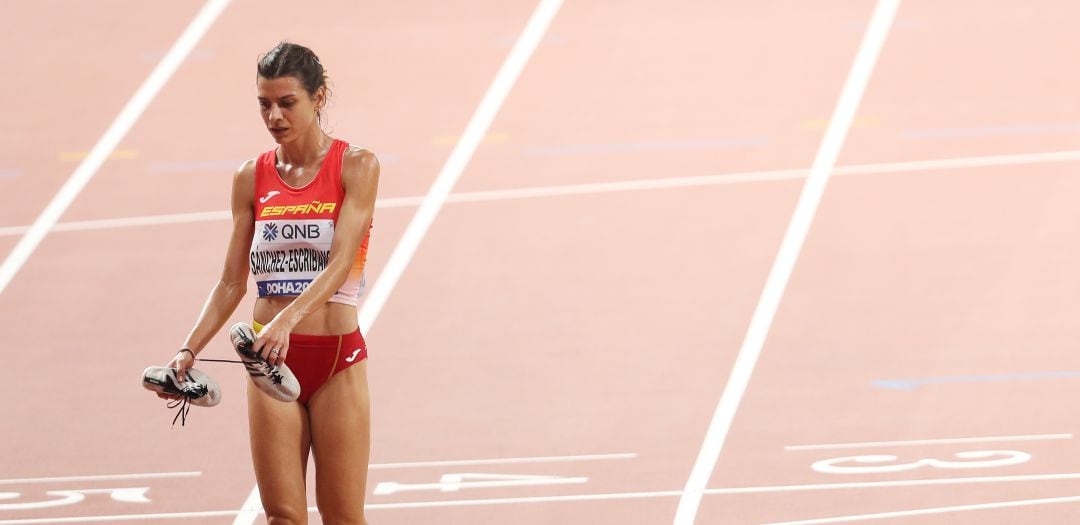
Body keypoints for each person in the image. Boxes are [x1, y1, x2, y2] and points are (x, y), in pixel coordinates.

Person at [156, 41, 379, 525]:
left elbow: (341, 262)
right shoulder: (250, 177)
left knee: (343, 516)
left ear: (318, 98)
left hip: (335, 358)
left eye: (286, 102)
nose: (274, 115)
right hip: (267, 364)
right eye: (264, 104)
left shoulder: (356, 166)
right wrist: (188, 350)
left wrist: (286, 319)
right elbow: (231, 282)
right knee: (282, 517)